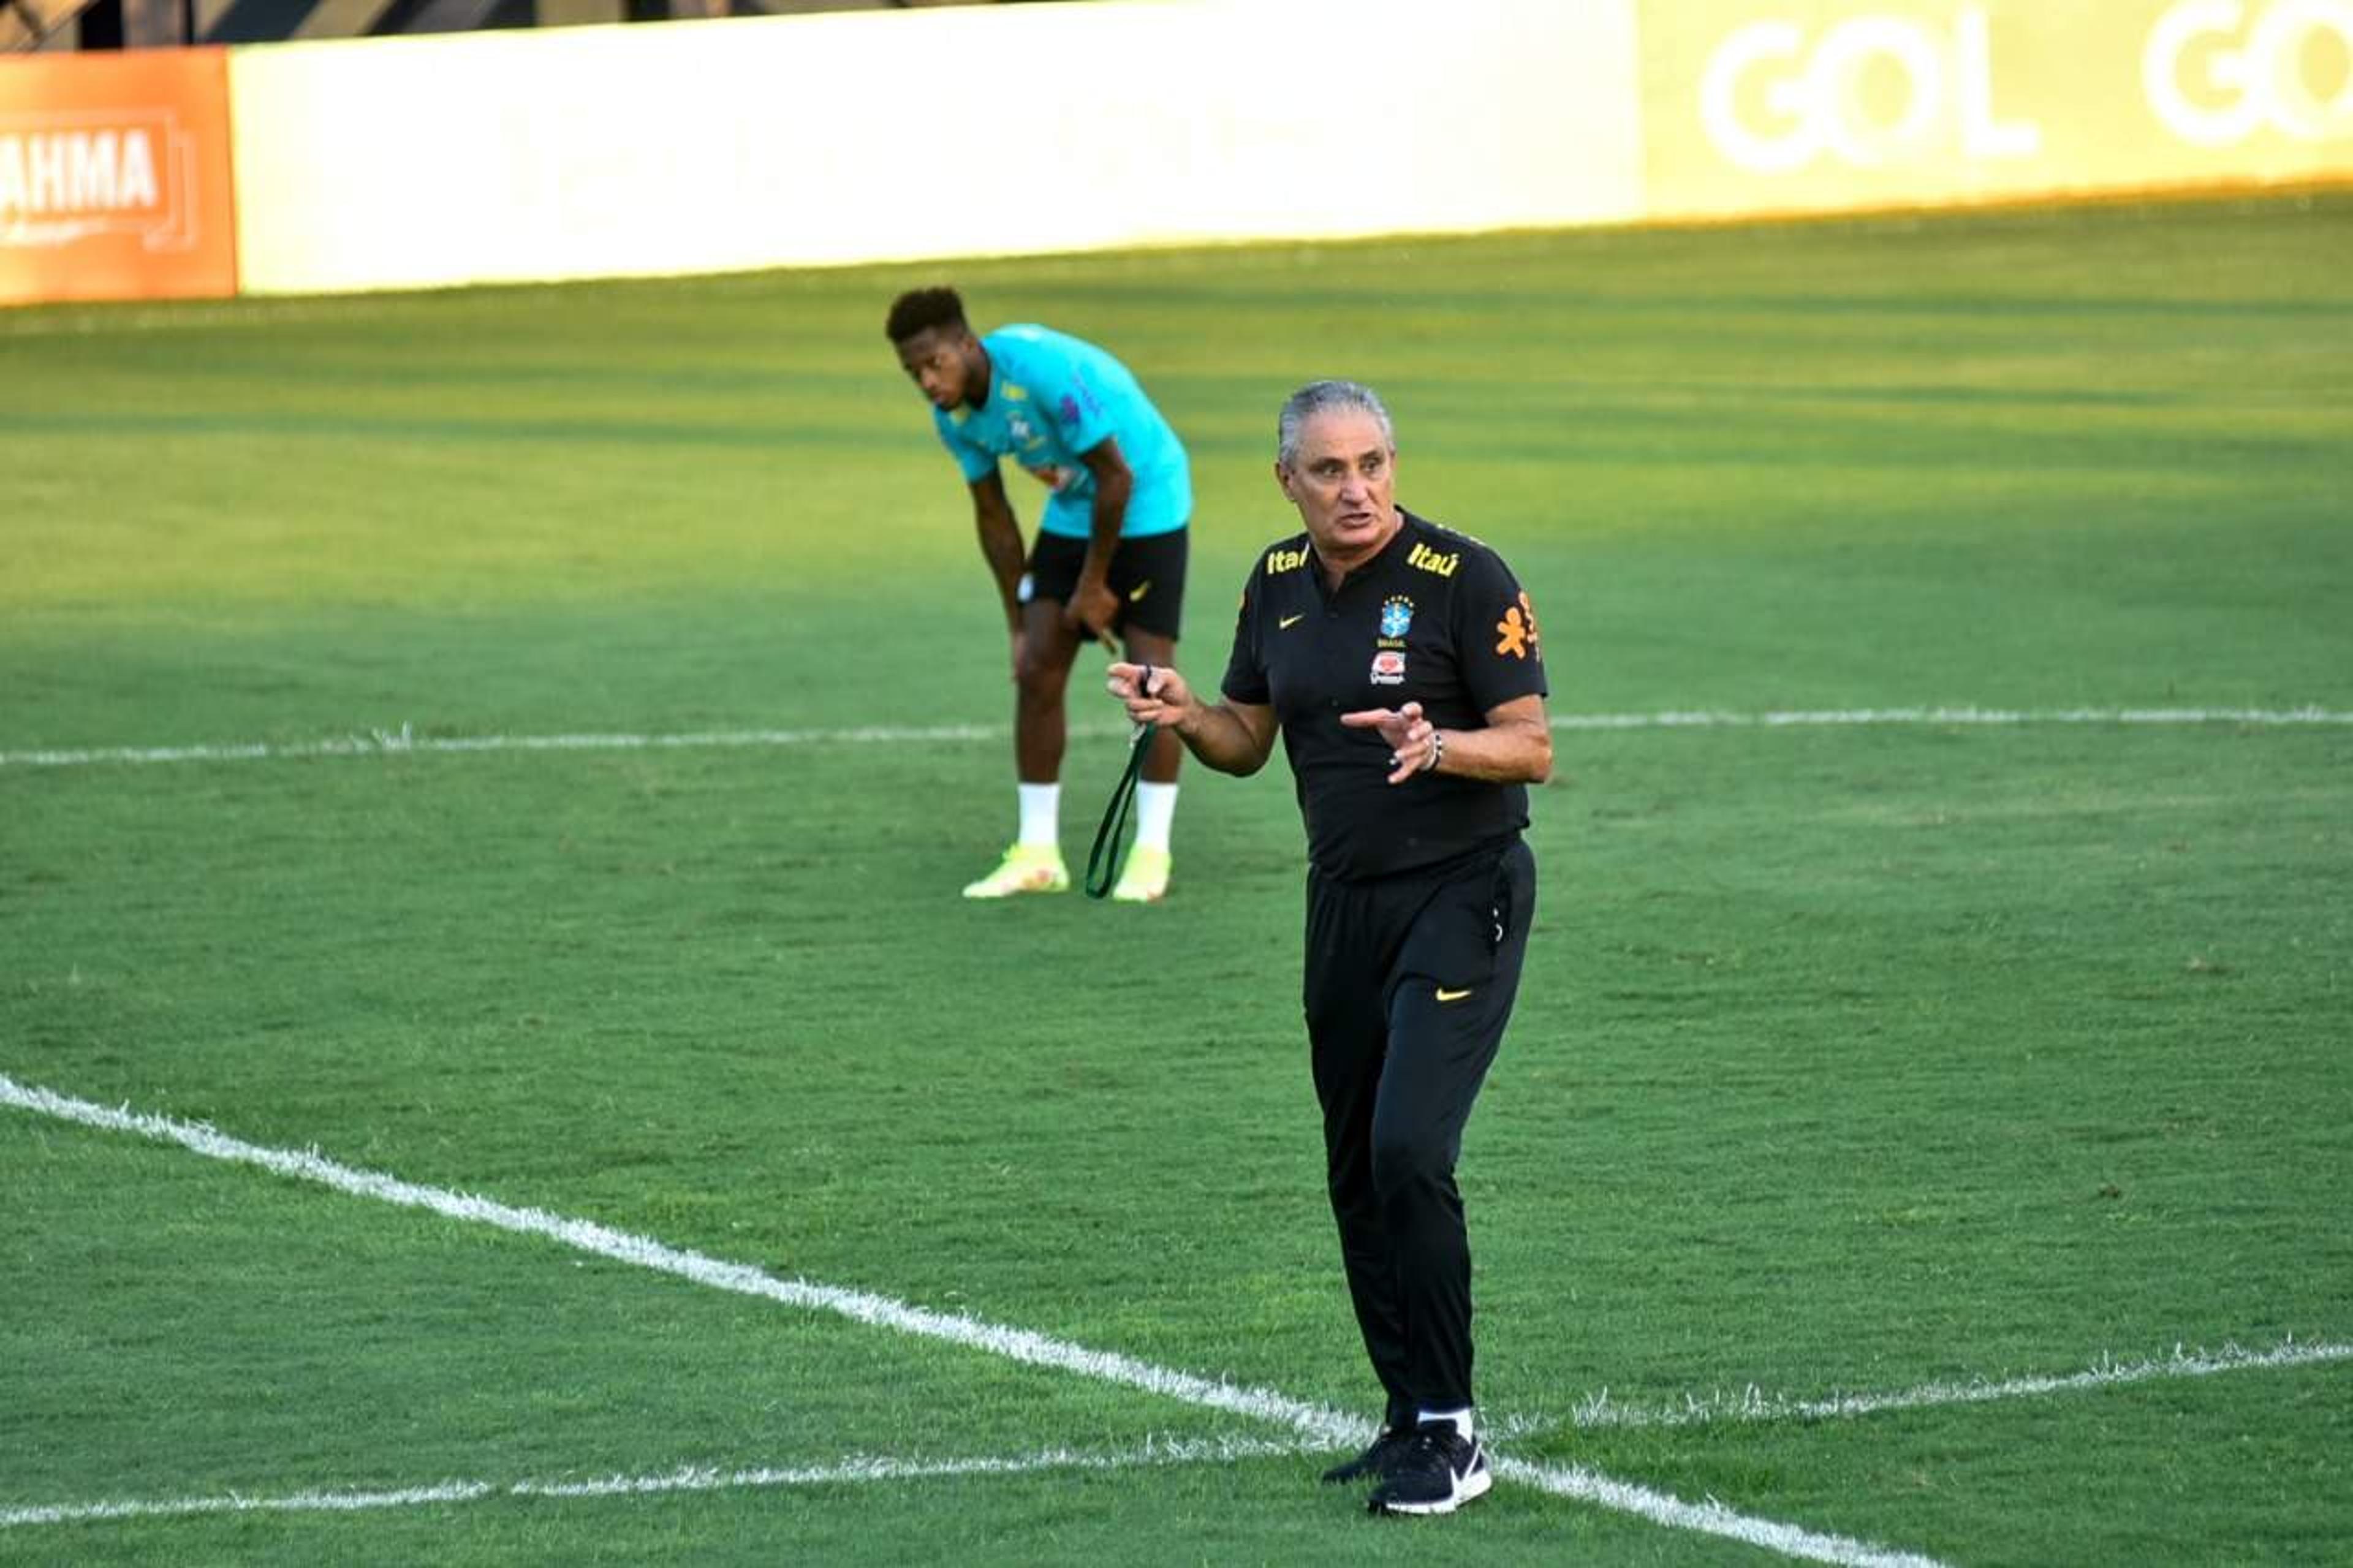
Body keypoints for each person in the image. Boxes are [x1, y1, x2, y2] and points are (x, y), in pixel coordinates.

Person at [1107, 380, 1549, 1517]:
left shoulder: (1468, 579)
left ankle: (1454, 1431)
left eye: (1373, 464)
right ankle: (1408, 1411)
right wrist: (1183, 708)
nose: (1356, 489)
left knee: (1409, 1148)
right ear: (1288, 480)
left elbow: (1532, 744)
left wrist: (1438, 743)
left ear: (1395, 464)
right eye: (1330, 470)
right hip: (1343, 904)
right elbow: (1249, 738)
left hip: (1461, 890)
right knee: (1355, 1166)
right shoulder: (1275, 582)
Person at [887, 286, 1191, 902]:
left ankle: (1152, 851)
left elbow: (1117, 476)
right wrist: (1018, 624)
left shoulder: (1040, 373)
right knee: (1035, 671)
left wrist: (1094, 586)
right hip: (1079, 508)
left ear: (968, 345)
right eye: (912, 372)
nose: (926, 381)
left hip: (1149, 496)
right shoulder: (954, 417)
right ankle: (1037, 854)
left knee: (1151, 676)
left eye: (935, 363)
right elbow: (994, 516)